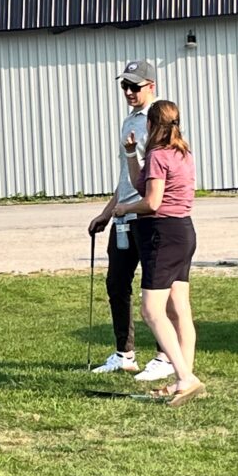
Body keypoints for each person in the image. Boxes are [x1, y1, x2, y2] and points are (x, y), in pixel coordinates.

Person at [87, 61, 174, 382]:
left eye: (134, 86)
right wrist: (107, 212)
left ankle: (165, 355)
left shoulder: (160, 121)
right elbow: (128, 176)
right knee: (116, 283)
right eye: (124, 86)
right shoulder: (128, 122)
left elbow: (156, 175)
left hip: (148, 216)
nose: (128, 91)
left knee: (155, 288)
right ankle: (124, 354)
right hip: (124, 214)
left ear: (151, 85)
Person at [113, 100, 204, 407]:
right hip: (184, 232)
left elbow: (151, 202)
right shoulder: (182, 153)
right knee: (180, 309)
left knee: (152, 310)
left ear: (150, 125)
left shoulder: (157, 154)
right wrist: (130, 154)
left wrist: (123, 208)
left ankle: (185, 378)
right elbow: (144, 184)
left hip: (161, 235)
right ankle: (184, 379)